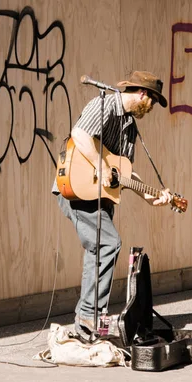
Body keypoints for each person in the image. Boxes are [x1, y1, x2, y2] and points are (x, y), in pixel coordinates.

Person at [52, 70, 174, 339]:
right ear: (143, 94)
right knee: (108, 243)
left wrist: (150, 195)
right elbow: (80, 134)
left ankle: (87, 318)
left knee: (99, 248)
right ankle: (88, 315)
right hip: (78, 188)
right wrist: (100, 165)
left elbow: (124, 172)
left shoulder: (130, 127)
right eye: (153, 101)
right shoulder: (104, 104)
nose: (152, 108)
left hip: (101, 194)